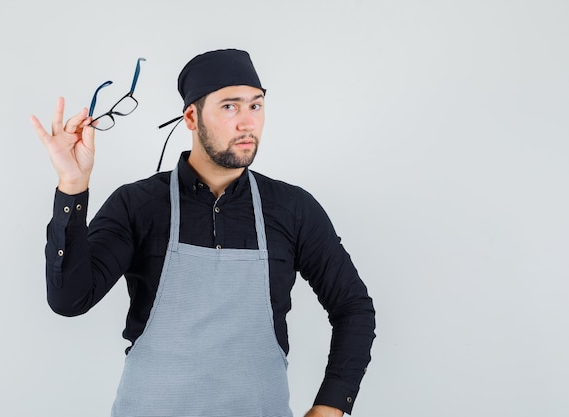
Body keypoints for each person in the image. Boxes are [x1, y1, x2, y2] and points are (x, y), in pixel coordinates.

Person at [30, 48, 375, 417]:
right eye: (230, 107)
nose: (247, 123)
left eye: (255, 106)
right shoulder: (138, 204)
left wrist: (331, 407)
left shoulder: (292, 209)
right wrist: (72, 186)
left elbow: (353, 307)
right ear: (192, 117)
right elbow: (69, 300)